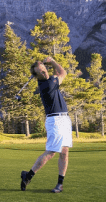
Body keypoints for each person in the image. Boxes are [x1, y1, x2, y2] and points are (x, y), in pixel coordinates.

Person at [20, 56, 72, 193]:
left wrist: (48, 64)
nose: (45, 72)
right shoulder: (47, 84)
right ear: (37, 76)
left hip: (64, 119)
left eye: (45, 69)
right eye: (41, 72)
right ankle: (28, 175)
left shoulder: (49, 81)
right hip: (55, 121)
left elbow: (57, 73)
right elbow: (63, 73)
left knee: (65, 152)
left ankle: (59, 184)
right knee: (51, 152)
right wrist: (52, 61)